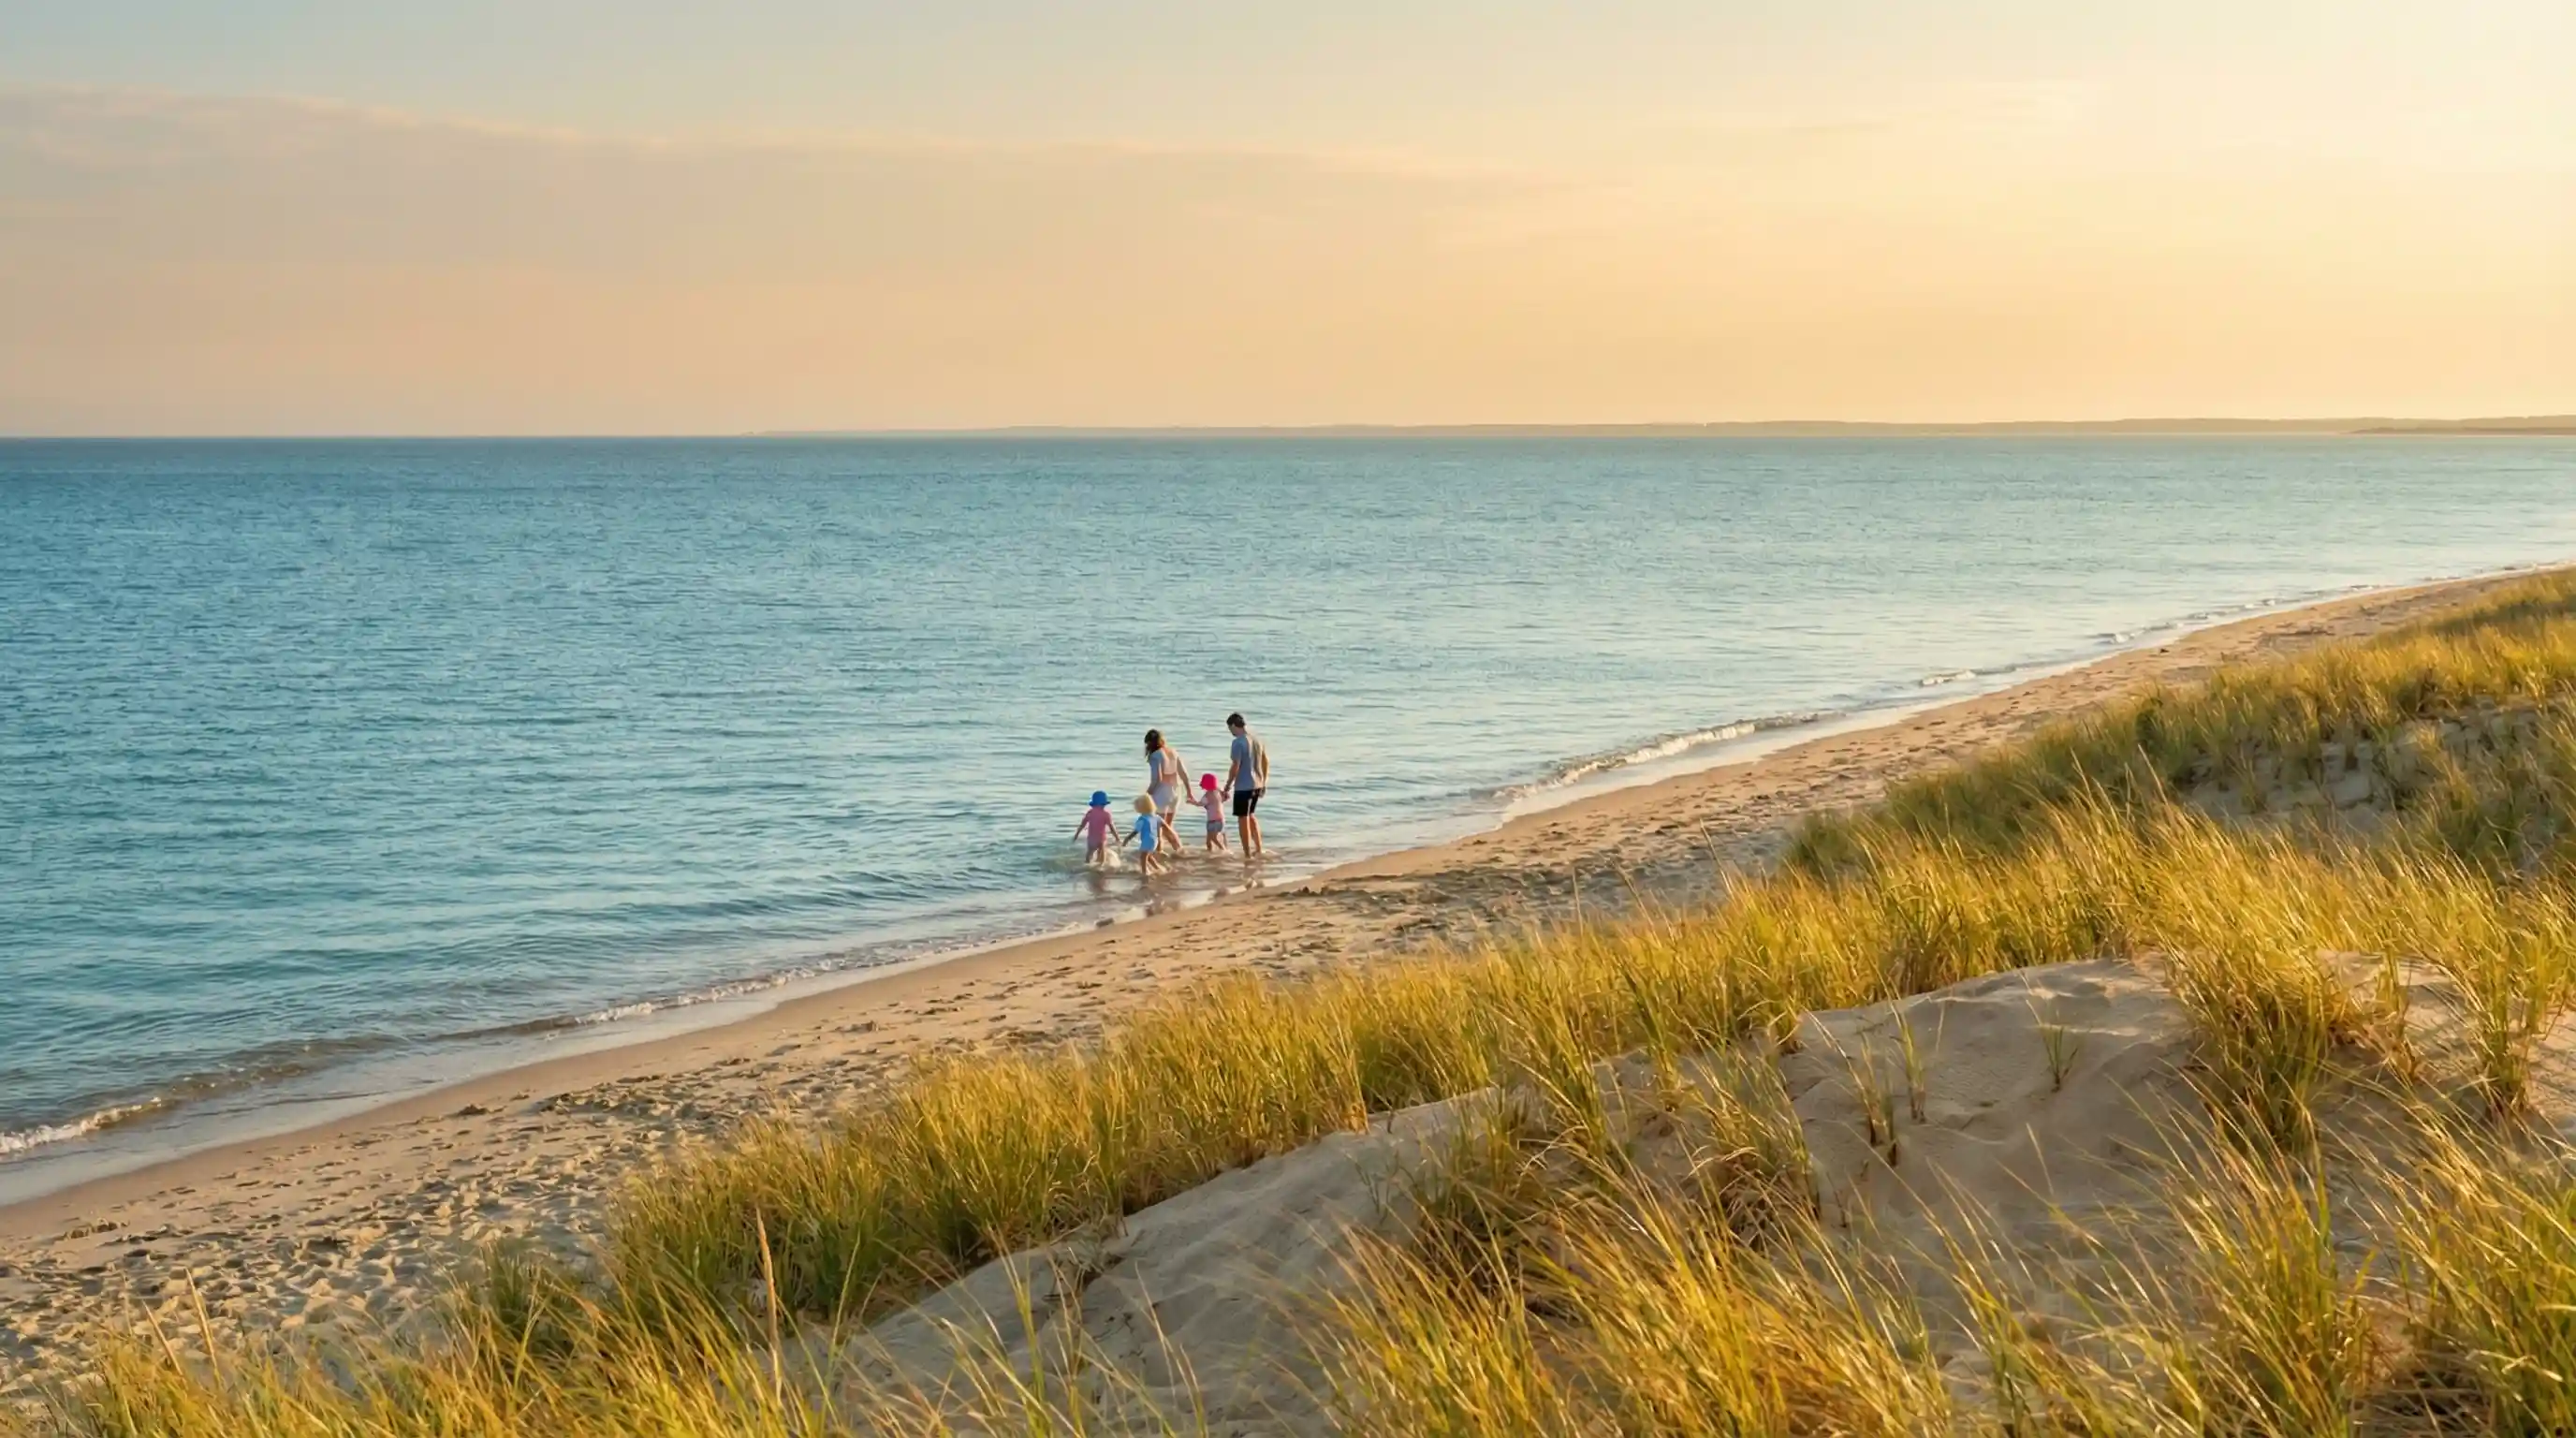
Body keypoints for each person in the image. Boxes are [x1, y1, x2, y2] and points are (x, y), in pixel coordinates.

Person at [1222, 712, 1269, 857]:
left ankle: (1247, 853)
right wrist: (1264, 781)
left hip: (1244, 785)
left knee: (1243, 819)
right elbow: (1265, 761)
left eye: (1230, 729)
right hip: (1257, 784)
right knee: (1251, 816)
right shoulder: (1256, 740)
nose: (1230, 732)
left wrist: (1228, 785)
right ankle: (1259, 848)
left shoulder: (1238, 742)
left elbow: (1236, 765)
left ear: (1234, 725)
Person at [1121, 792, 1178, 876]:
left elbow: (1135, 831)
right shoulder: (1156, 817)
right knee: (1149, 856)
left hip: (1147, 840)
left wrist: (1127, 839)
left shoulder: (1142, 819)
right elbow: (1166, 827)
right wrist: (1172, 835)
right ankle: (1158, 868)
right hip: (1154, 840)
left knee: (1143, 857)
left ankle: (1145, 872)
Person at [1144, 729, 1188, 829]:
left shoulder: (1155, 756)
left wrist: (1147, 794)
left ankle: (1170, 845)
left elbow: (1157, 778)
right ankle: (1176, 845)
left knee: (1158, 828)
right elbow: (1183, 774)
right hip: (1176, 792)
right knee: (1168, 827)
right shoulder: (1173, 752)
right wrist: (1189, 791)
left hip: (1162, 794)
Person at [1072, 790, 1116, 866]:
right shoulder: (1106, 815)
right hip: (1101, 839)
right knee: (1102, 854)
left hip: (1091, 839)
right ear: (1104, 804)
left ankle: (1087, 865)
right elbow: (1112, 828)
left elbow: (1082, 825)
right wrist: (1117, 838)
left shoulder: (1090, 813)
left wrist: (1076, 835)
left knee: (1089, 853)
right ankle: (1101, 867)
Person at [1195, 773, 1229, 853]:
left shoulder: (1207, 795)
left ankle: (1223, 850)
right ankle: (1213, 852)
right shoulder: (1218, 791)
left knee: (1213, 838)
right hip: (1220, 819)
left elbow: (1200, 804)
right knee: (1212, 839)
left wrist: (1191, 802)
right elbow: (1226, 797)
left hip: (1213, 821)